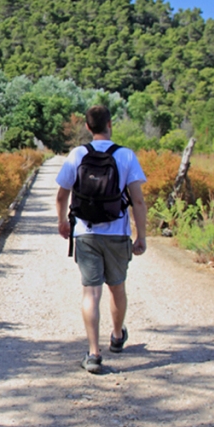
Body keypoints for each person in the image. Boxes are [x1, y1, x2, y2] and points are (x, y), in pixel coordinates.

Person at [55, 105, 147, 374]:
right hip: (117, 234)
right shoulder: (126, 155)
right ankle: (117, 337)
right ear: (110, 124)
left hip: (85, 233)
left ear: (87, 127)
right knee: (117, 287)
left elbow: (62, 195)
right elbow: (138, 200)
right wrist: (141, 236)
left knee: (90, 292)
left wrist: (62, 222)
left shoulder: (77, 154)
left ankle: (94, 354)